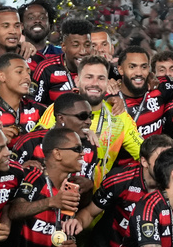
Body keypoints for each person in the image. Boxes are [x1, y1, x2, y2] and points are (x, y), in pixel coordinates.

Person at [37, 56, 143, 187]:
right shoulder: (59, 108)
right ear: (77, 80)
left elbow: (144, 154)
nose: (95, 83)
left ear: (107, 83)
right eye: (89, 77)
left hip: (97, 202)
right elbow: (37, 143)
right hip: (57, 196)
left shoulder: (119, 116)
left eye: (101, 78)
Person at [117, 46, 173, 140]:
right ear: (120, 70)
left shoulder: (160, 87)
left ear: (149, 69)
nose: (139, 72)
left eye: (144, 67)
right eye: (132, 67)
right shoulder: (110, 97)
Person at [32, 18, 94, 104]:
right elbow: (35, 104)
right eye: (76, 45)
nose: (83, 51)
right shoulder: (47, 69)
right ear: (64, 47)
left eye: (87, 45)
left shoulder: (98, 68)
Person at [0, 52, 44, 141]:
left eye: (28, 73)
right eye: (19, 72)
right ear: (1, 76)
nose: (27, 77)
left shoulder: (39, 110)